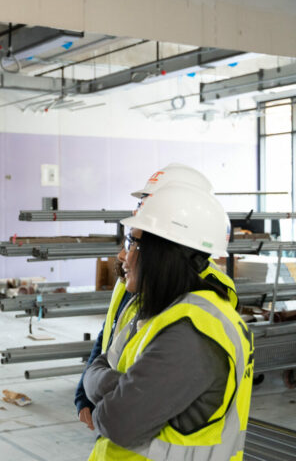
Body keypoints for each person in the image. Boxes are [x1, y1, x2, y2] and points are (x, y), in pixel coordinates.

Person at [83, 182, 254, 460]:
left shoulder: (191, 334)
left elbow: (116, 421)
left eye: (132, 242)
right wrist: (119, 387)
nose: (122, 255)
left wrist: (109, 390)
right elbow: (100, 364)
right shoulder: (161, 310)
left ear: (162, 252)